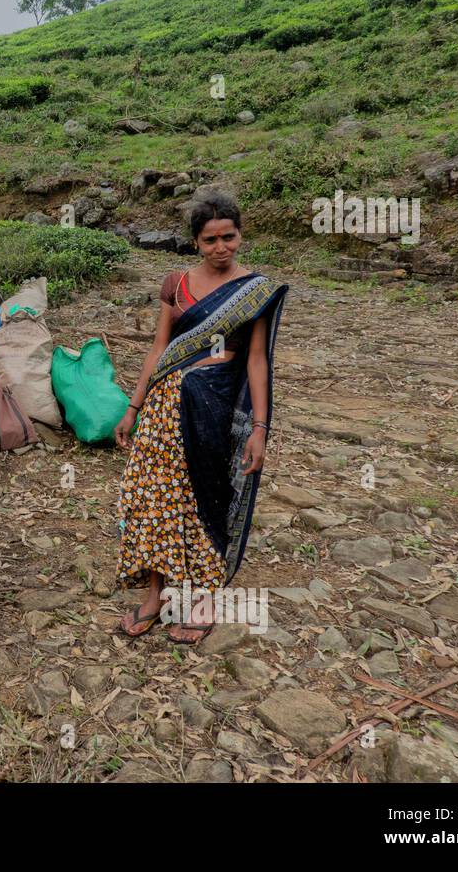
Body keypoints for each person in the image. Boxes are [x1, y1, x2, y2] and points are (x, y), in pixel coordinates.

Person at [113, 192, 287, 645]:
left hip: (212, 407)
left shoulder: (255, 292)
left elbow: (255, 361)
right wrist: (133, 407)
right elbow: (159, 349)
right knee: (152, 498)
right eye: (210, 239)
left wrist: (260, 429)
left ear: (240, 235)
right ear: (196, 242)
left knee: (205, 497)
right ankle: (155, 596)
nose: (221, 247)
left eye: (228, 236)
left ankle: (205, 597)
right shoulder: (176, 285)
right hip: (161, 407)